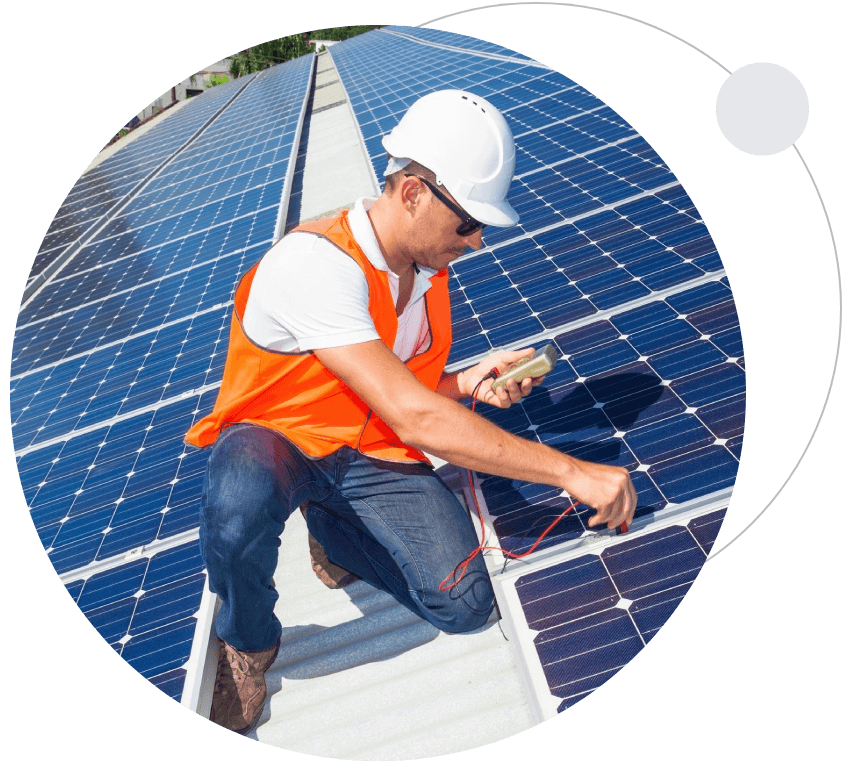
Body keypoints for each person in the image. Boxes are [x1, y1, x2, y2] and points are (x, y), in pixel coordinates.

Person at [184, 89, 636, 735]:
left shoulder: (425, 273)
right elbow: (416, 418)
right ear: (415, 192)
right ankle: (250, 642)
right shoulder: (315, 264)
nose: (476, 242)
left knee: (464, 605)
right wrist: (570, 472)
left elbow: (410, 391)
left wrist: (468, 382)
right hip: (275, 438)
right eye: (468, 224)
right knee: (235, 511)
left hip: (366, 446)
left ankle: (331, 528)